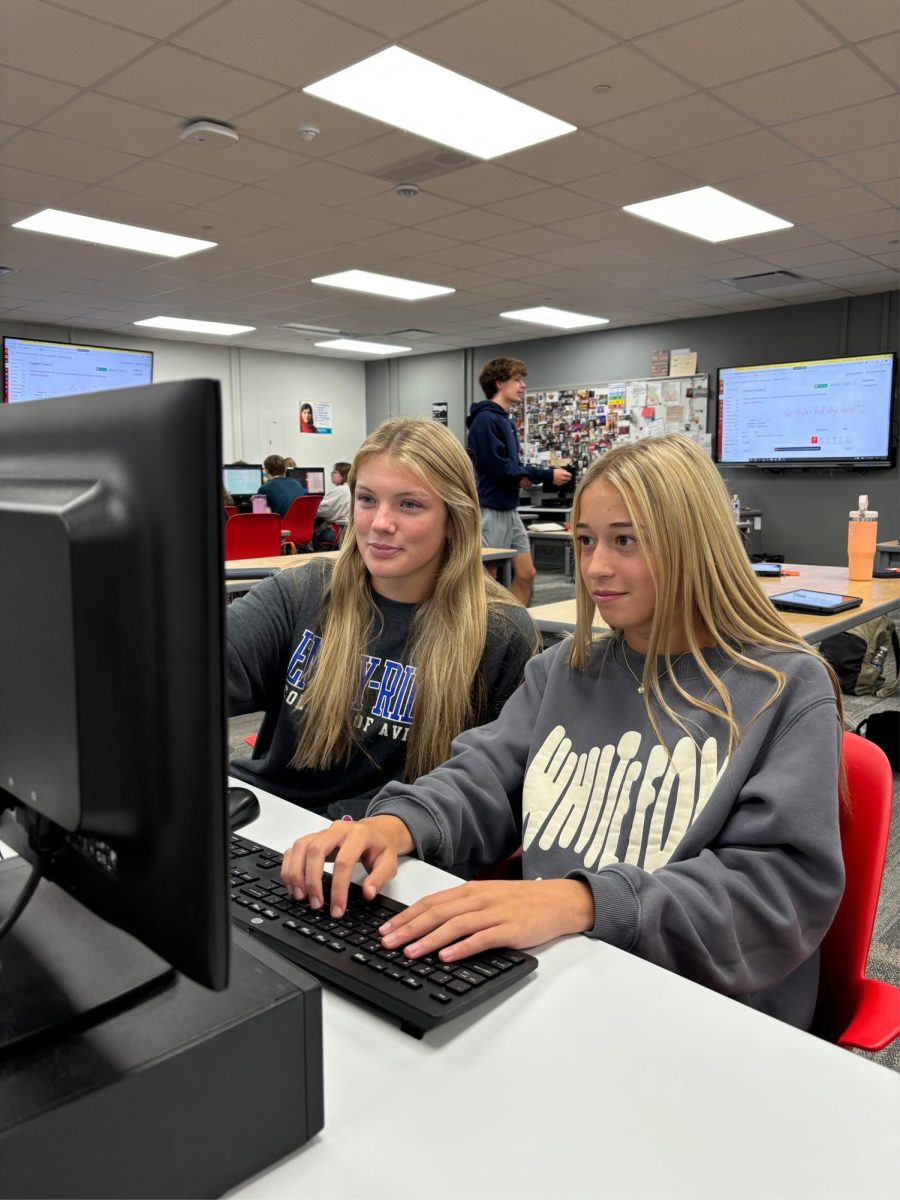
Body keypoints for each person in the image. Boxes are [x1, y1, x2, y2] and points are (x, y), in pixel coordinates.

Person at [282, 433, 846, 1031]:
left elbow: (776, 893)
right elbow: (484, 776)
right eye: (585, 541)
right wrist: (395, 824)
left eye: (625, 540)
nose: (595, 567)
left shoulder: (786, 688)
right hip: (560, 982)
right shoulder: (562, 670)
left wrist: (583, 901)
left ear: (694, 544)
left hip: (704, 1015)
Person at [229, 417, 539, 820]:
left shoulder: (501, 633)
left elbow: (500, 795)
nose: (379, 524)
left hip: (391, 856)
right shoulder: (304, 591)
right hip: (270, 825)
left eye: (409, 504)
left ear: (454, 518)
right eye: (367, 499)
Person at [467, 357, 572, 605]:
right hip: (490, 509)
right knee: (489, 577)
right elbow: (501, 469)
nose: (523, 385)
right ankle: (488, 634)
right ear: (499, 383)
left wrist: (520, 477)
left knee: (526, 573)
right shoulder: (485, 420)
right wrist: (547, 475)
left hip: (509, 508)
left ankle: (519, 629)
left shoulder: (503, 420)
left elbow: (506, 469)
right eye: (517, 379)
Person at [311, 461, 351, 550]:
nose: (332, 474)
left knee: (313, 535)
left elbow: (320, 510)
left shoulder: (340, 490)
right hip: (348, 532)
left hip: (338, 532)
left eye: (335, 472)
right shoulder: (350, 488)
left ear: (344, 475)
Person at [258, 453, 306, 517]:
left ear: (266, 471)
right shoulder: (298, 484)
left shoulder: (264, 489)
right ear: (285, 470)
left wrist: (256, 502)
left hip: (281, 526)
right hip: (301, 526)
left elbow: (261, 518)